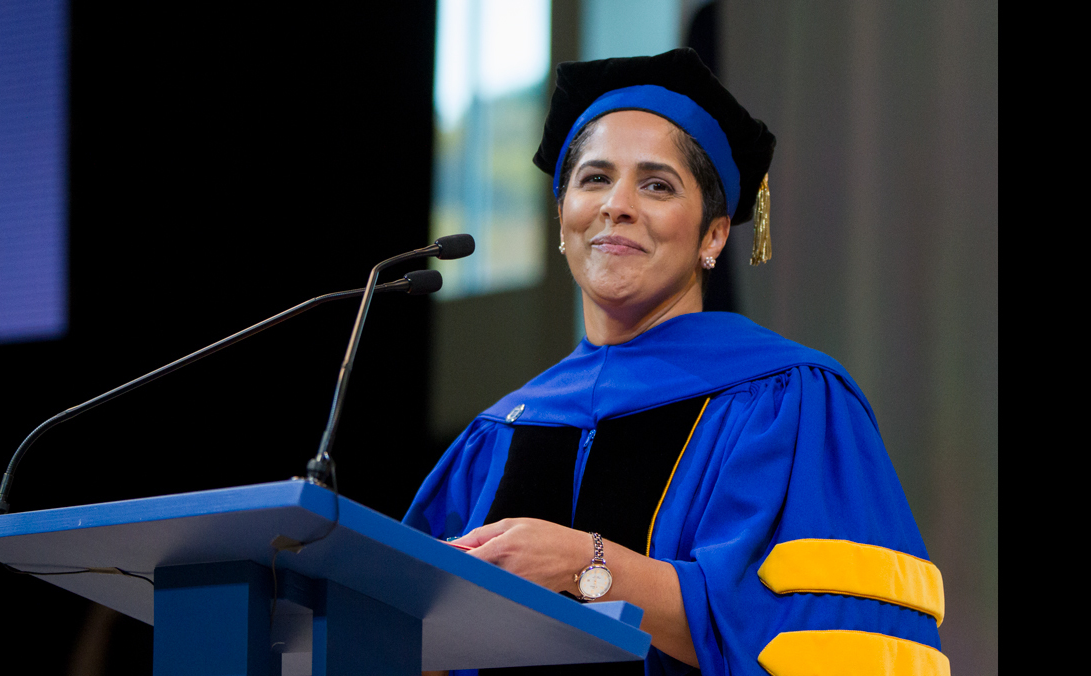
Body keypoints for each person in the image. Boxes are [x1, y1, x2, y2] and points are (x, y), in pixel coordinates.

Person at [406, 49, 947, 676]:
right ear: (563, 216)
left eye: (657, 185)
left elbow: (826, 636)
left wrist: (587, 564)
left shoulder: (793, 401)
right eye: (594, 179)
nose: (618, 205)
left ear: (713, 236)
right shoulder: (499, 432)